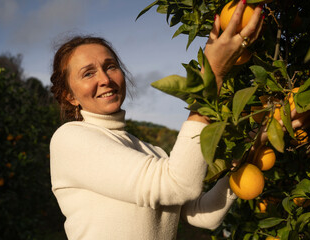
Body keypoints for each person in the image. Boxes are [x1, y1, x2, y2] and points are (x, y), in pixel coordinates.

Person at [50, 1, 264, 239]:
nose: (105, 79)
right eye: (88, 73)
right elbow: (177, 184)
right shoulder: (69, 140)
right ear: (70, 96)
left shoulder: (153, 153)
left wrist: (247, 153)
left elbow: (203, 215)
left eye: (110, 67)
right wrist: (212, 74)